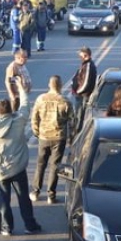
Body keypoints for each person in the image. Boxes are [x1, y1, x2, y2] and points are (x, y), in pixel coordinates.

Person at [0, 99, 41, 235]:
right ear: (11, 110)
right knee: (23, 198)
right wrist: (22, 90)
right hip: (18, 168)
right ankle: (30, 225)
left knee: (3, 201)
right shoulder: (18, 121)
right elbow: (25, 107)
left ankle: (6, 227)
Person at [31, 75, 71, 204]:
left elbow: (34, 117)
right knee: (55, 166)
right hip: (59, 137)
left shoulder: (41, 99)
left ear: (49, 84)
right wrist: (72, 137)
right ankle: (51, 194)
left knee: (41, 164)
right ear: (60, 85)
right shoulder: (65, 101)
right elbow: (72, 121)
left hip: (44, 136)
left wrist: (37, 132)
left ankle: (36, 191)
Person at [70, 46, 98, 131]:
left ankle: (77, 131)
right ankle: (76, 129)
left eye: (81, 55)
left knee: (79, 116)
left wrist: (78, 91)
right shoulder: (85, 64)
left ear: (86, 55)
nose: (79, 57)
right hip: (80, 95)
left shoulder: (88, 65)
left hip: (82, 96)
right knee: (77, 115)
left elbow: (86, 82)